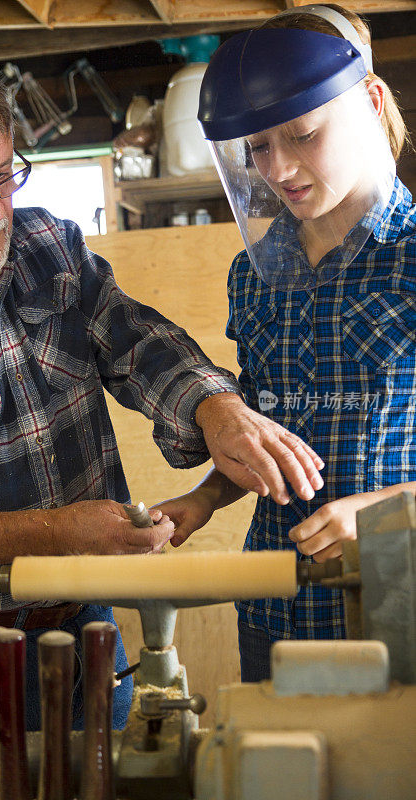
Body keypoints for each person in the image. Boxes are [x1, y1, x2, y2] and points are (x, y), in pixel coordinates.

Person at [0, 33, 324, 729]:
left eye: (4, 176)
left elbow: (135, 342)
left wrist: (216, 408)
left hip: (90, 622)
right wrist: (53, 534)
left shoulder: (45, 248)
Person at [156, 4, 416, 681]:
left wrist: (390, 512)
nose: (278, 170)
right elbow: (269, 429)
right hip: (274, 608)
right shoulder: (254, 274)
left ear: (369, 101)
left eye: (302, 135)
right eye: (258, 149)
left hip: (395, 608)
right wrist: (206, 498)